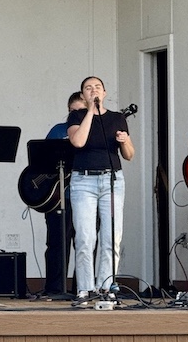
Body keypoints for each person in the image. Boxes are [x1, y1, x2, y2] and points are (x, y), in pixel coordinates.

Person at [67, 76, 134, 306]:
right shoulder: (76, 116)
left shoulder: (117, 118)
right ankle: (85, 289)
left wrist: (125, 141)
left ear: (105, 92)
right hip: (83, 181)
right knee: (85, 237)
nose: (93, 90)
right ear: (83, 95)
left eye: (97, 87)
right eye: (88, 88)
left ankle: (106, 286)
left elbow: (129, 155)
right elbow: (78, 141)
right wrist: (90, 112)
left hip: (112, 180)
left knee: (111, 236)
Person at [38, 91, 87, 300]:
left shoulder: (93, 131)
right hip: (59, 197)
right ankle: (55, 289)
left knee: (86, 243)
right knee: (57, 243)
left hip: (85, 196)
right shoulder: (58, 131)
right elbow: (42, 161)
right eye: (72, 111)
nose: (75, 115)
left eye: (80, 111)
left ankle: (83, 288)